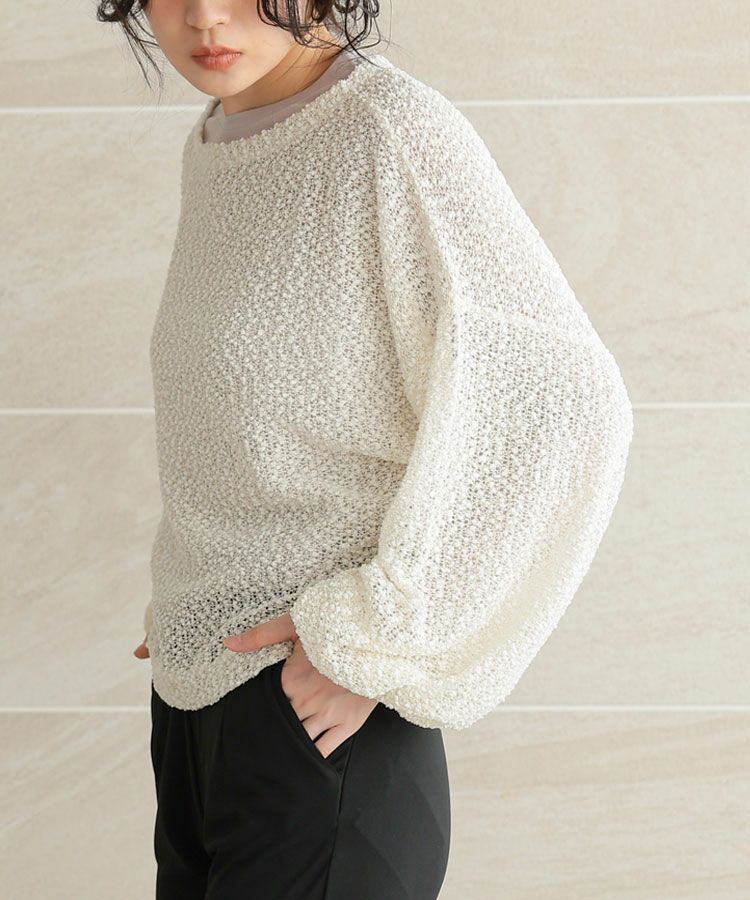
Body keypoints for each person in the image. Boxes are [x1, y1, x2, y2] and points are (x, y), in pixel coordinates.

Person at [99, 1, 634, 897]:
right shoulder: (224, 136)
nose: (204, 16)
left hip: (316, 724)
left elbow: (562, 401)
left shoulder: (387, 132)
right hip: (204, 712)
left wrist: (376, 640)